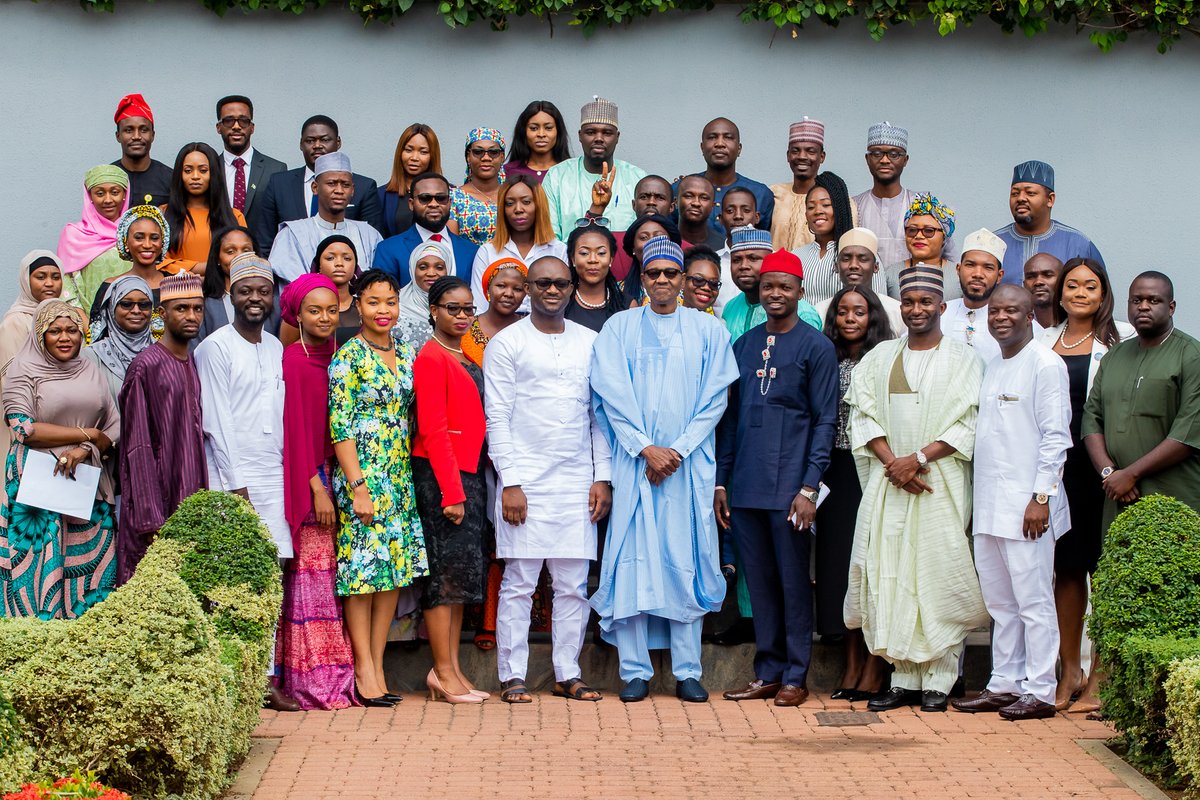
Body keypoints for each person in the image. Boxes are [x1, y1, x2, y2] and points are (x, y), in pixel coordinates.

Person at [589, 238, 739, 703]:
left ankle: (687, 671)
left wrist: (675, 451)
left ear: (684, 280)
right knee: (633, 564)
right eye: (653, 273)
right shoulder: (618, 327)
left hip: (687, 468)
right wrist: (645, 449)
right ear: (642, 277)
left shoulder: (709, 330)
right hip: (636, 466)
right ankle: (634, 671)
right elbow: (609, 397)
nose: (661, 281)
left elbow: (715, 400)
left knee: (684, 561)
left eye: (670, 274)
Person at [845, 264, 989, 714]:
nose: (916, 309)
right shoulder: (880, 356)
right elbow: (862, 415)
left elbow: (968, 422)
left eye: (926, 301)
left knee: (937, 570)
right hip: (890, 483)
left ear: (942, 307)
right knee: (890, 571)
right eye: (908, 302)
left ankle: (941, 678)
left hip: (939, 484)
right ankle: (904, 676)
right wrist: (894, 464)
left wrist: (918, 460)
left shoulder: (964, 359)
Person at [485, 256, 612, 703]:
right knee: (520, 582)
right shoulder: (507, 343)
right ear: (527, 289)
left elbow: (599, 417)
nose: (552, 290)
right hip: (525, 480)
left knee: (573, 586)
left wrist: (602, 477)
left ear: (571, 287)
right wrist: (511, 481)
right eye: (542, 283)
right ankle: (512, 675)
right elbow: (496, 416)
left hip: (577, 480)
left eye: (560, 283)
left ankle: (567, 673)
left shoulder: (591, 342)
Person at [717, 250, 837, 708]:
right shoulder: (745, 345)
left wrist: (809, 487)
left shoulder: (816, 346)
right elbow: (730, 419)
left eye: (785, 286)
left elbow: (825, 421)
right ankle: (767, 672)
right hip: (746, 484)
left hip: (791, 488)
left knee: (792, 582)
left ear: (800, 291)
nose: (775, 293)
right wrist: (722, 482)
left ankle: (795, 675)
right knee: (760, 583)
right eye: (768, 286)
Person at [951, 285, 1070, 722]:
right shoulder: (995, 364)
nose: (1000, 317)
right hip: (990, 505)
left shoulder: (1045, 364)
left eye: (1011, 311)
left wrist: (1041, 498)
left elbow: (1056, 437)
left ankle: (1041, 690)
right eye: (995, 311)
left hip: (1028, 509)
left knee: (1034, 602)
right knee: (1001, 604)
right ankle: (1004, 684)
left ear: (1030, 316)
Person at [195, 253, 297, 712]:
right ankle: (230, 679)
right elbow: (216, 423)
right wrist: (237, 489)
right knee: (233, 580)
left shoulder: (274, 347)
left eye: (262, 291)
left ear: (272, 297)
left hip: (274, 476)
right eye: (245, 291)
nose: (255, 298)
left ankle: (264, 678)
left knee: (270, 578)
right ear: (230, 295)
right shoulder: (214, 347)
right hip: (232, 480)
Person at [1037, 258, 1133, 712]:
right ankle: (1069, 669)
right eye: (1072, 285)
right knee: (1067, 568)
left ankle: (1102, 673)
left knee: (1105, 568)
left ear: (1103, 293)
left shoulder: (1123, 340)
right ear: (1059, 293)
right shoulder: (1042, 342)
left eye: (1090, 286)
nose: (1080, 293)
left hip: (1108, 467)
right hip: (1060, 470)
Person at [328, 269, 427, 707]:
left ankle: (379, 665)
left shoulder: (405, 352)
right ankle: (363, 669)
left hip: (398, 474)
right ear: (358, 305)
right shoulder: (347, 357)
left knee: (392, 572)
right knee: (362, 573)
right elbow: (340, 426)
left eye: (390, 301)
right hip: (364, 475)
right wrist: (357, 486)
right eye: (373, 302)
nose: (383, 310)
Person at [0, 300, 120, 619]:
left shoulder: (90, 369)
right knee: (39, 570)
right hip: (37, 486)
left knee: (89, 570)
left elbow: (114, 425)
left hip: (85, 481)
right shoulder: (22, 370)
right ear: (40, 335)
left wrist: (85, 448)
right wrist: (88, 434)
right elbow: (23, 429)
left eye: (72, 330)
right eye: (54, 331)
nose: (65, 337)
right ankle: (36, 638)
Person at [277, 273, 357, 711]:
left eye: (330, 310)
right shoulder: (293, 360)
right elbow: (294, 431)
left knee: (330, 575)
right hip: (311, 479)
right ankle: (313, 679)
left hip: (339, 476)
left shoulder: (340, 356)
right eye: (314, 311)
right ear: (297, 315)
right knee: (313, 576)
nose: (324, 318)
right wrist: (317, 488)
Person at [1083, 271, 1200, 559]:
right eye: (1136, 300)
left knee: (1171, 576)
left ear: (1171, 307)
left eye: (1153, 300)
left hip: (1173, 497)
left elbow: (1187, 432)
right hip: (1119, 497)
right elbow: (1091, 418)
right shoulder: (1115, 356)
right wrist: (1110, 474)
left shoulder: (1191, 356)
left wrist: (1131, 474)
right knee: (1120, 572)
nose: (1143, 306)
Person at [412, 276, 488, 704]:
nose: (461, 316)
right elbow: (433, 429)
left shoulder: (463, 352)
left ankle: (453, 669)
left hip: (468, 473)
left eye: (467, 309)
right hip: (444, 475)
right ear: (434, 311)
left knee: (458, 577)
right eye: (452, 308)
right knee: (443, 577)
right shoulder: (431, 356)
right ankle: (441, 671)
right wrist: (451, 492)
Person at [817, 284, 894, 700]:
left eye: (859, 311)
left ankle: (874, 666)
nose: (850, 318)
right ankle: (849, 664)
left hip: (874, 467)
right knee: (840, 567)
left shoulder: (886, 358)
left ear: (873, 317)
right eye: (843, 311)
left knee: (873, 565)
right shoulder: (825, 356)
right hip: (834, 469)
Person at [117, 272, 208, 585]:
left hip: (191, 499)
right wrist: (151, 519)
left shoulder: (193, 361)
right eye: (181, 308)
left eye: (197, 308)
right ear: (162, 313)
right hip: (156, 508)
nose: (191, 316)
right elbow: (137, 446)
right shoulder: (146, 365)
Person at [459, 257, 528, 649]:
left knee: (516, 532)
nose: (509, 293)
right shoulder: (466, 329)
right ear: (486, 288)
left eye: (517, 287)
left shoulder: (531, 328)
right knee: (484, 531)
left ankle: (517, 624)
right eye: (501, 285)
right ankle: (482, 621)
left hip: (520, 440)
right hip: (474, 439)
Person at [249, 115, 383, 255]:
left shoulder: (364, 186)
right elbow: (265, 242)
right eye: (310, 140)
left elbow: (372, 244)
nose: (317, 145)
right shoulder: (279, 184)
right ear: (301, 144)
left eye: (325, 140)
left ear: (338, 142)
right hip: (292, 266)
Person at [852, 122, 959, 268]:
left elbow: (951, 260)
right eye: (876, 153)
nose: (884, 160)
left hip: (917, 281)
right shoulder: (853, 206)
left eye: (894, 154)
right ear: (867, 159)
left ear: (905, 160)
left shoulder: (925, 204)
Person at [268, 152, 383, 283]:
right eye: (331, 183)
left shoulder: (369, 235)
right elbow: (292, 286)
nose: (339, 190)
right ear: (315, 188)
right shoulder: (291, 234)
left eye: (345, 185)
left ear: (353, 190)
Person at [542, 96, 648, 237]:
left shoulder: (638, 178)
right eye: (591, 132)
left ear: (617, 137)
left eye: (607, 133)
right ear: (580, 136)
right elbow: (550, 238)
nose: (598, 138)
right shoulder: (556, 177)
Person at [995, 161, 1105, 282]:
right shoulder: (993, 242)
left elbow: (1100, 290)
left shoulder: (1078, 244)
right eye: (1015, 193)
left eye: (1030, 193)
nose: (1020, 198)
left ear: (1050, 199)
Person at [470, 175, 566, 313]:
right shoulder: (487, 251)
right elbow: (479, 308)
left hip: (546, 324)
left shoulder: (558, 250)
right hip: (499, 325)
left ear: (539, 205)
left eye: (526, 202)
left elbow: (564, 303)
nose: (518, 209)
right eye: (510, 203)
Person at [0, 252, 64, 453]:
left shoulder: (64, 317)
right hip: (28, 424)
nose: (49, 283)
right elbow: (11, 382)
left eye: (56, 277)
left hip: (60, 418)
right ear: (26, 281)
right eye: (40, 277)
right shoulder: (16, 322)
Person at [373, 172, 478, 287]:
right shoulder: (388, 249)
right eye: (425, 198)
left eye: (441, 198)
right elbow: (381, 294)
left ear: (449, 203)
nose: (433, 204)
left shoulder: (471, 251)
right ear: (411, 204)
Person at [676, 118, 774, 237]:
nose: (720, 144)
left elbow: (763, 241)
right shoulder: (680, 189)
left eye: (728, 137)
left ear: (739, 148)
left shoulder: (761, 193)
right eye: (712, 137)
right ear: (702, 147)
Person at [160, 142, 246, 274]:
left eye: (203, 170)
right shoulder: (163, 213)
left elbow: (242, 261)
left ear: (214, 173)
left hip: (222, 287)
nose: (195, 176)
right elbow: (158, 261)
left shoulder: (235, 216)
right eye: (188, 171)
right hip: (177, 285)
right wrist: (209, 268)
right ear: (179, 174)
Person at [723, 228, 822, 340]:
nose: (743, 266)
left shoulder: (803, 313)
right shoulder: (730, 307)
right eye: (736, 260)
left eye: (753, 258)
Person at [57, 165, 130, 315]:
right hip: (86, 321)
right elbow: (66, 286)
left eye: (115, 192)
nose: (108, 200)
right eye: (100, 193)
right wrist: (85, 323)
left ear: (125, 194)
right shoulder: (73, 235)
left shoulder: (136, 234)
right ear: (90, 196)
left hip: (134, 320)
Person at [195, 227, 281, 343]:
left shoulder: (274, 303)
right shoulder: (204, 304)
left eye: (246, 251)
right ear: (218, 259)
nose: (239, 256)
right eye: (230, 251)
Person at [89, 205, 171, 321]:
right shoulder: (111, 287)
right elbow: (97, 329)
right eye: (139, 237)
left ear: (163, 243)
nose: (147, 245)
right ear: (126, 242)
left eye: (154, 238)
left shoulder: (174, 284)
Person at [812, 228, 903, 333]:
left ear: (875, 267)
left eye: (863, 259)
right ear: (836, 266)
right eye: (846, 259)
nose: (853, 265)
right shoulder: (820, 311)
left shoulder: (896, 311)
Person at [280, 235, 363, 348]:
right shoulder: (302, 306)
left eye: (347, 258)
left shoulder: (364, 306)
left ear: (355, 266)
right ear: (319, 265)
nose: (339, 263)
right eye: (330, 258)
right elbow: (288, 350)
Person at [941, 228, 1010, 363]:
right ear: (958, 269)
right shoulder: (940, 314)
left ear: (999, 276)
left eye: (988, 267)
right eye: (970, 265)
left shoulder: (1014, 321)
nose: (978, 274)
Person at [793, 171, 860, 306]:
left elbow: (877, 305)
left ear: (840, 209)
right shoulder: (795, 257)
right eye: (811, 207)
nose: (818, 211)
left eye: (826, 205)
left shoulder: (861, 257)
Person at [215, 95, 287, 219]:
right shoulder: (209, 169)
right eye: (228, 121)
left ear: (252, 127)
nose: (236, 126)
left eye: (243, 121)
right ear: (218, 128)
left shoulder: (276, 169)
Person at [84, 274, 154, 399]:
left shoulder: (163, 354)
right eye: (126, 304)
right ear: (111, 308)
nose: (136, 310)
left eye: (144, 304)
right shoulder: (91, 357)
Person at [884, 193, 960, 302]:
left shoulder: (959, 275)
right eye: (912, 230)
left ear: (944, 237)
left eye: (928, 231)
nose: (919, 236)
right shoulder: (890, 275)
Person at [769, 117, 825, 251]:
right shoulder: (772, 194)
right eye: (795, 151)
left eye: (810, 151)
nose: (802, 156)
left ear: (822, 157)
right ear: (788, 155)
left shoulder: (834, 199)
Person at [378, 123, 442, 238]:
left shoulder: (448, 195)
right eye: (409, 150)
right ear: (400, 153)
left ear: (432, 156)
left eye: (423, 152)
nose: (414, 158)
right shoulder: (381, 195)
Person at [111, 93, 172, 208]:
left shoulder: (170, 179)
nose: (136, 136)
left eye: (144, 130)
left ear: (152, 135)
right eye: (128, 130)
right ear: (118, 136)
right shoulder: (107, 177)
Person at [448, 127, 505, 246]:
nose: (486, 158)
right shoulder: (453, 197)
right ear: (468, 157)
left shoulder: (512, 195)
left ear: (502, 157)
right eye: (478, 152)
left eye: (493, 152)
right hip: (468, 258)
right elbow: (452, 246)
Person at [564, 221, 625, 332]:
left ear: (611, 259)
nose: (593, 260)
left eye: (601, 253)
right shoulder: (561, 302)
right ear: (573, 259)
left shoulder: (627, 305)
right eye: (584, 253)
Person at [617, 214, 686, 308]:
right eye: (644, 237)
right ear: (633, 247)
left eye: (658, 236)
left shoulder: (688, 289)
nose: (651, 242)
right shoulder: (617, 291)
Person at [397, 240, 453, 347]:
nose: (431, 273)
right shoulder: (397, 306)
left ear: (448, 270)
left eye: (439, 267)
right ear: (413, 270)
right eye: (423, 267)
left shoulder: (459, 306)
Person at [505, 100, 570, 183]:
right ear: (523, 131)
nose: (541, 134)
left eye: (548, 128)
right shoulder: (507, 172)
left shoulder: (570, 171)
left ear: (558, 131)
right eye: (534, 128)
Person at [676, 175, 727, 251]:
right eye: (689, 196)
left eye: (704, 198)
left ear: (712, 206)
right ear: (676, 201)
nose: (696, 203)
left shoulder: (723, 247)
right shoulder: (664, 240)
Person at [1024, 253, 1064, 330]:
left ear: (1062, 280)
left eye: (1048, 275)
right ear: (1024, 284)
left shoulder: (1075, 322)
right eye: (1031, 277)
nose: (1038, 282)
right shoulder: (1016, 326)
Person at [682, 246, 722, 315]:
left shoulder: (718, 322)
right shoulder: (665, 318)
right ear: (682, 280)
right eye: (698, 280)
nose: (706, 288)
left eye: (714, 284)